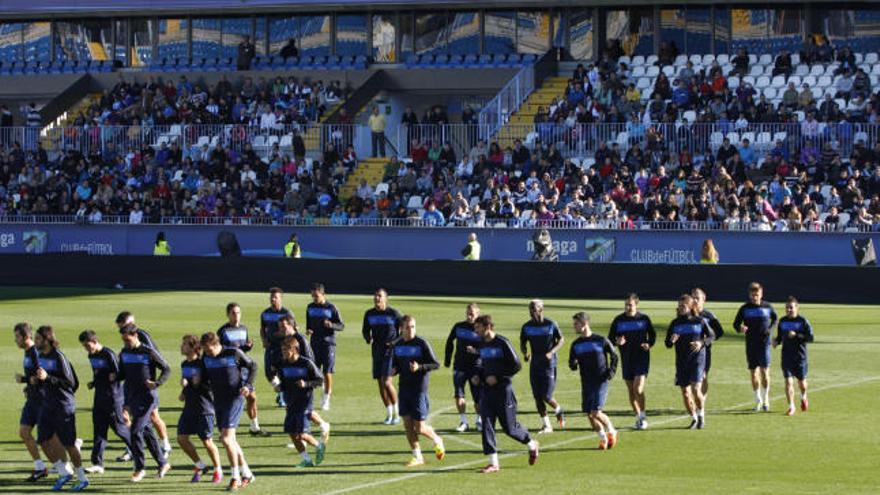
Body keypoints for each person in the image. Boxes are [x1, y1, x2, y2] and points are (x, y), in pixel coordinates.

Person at [473, 314, 539, 473]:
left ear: (487, 327)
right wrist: (479, 376)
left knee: (510, 428)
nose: (476, 331)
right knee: (486, 424)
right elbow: (484, 365)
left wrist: (498, 377)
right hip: (487, 392)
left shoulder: (502, 343)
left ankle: (532, 444)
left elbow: (516, 365)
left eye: (478, 327)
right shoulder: (481, 344)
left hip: (504, 390)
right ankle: (493, 463)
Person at [33, 326, 90, 492]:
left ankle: (82, 478)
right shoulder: (41, 356)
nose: (35, 342)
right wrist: (37, 382)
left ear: (46, 340)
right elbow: (44, 379)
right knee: (43, 439)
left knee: (69, 444)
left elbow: (71, 383)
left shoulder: (59, 356)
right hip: (48, 404)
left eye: (38, 339)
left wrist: (48, 378)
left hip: (63, 406)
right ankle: (64, 472)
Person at [199, 332, 257, 491]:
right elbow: (205, 379)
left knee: (225, 439)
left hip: (235, 398)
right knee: (231, 440)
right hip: (218, 401)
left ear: (217, 344)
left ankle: (235, 477)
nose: (208, 353)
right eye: (206, 350)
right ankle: (247, 473)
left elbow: (253, 366)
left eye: (210, 350)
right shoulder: (206, 357)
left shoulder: (233, 353)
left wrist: (248, 385)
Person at [118, 324, 171, 482]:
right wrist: (114, 377)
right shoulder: (124, 352)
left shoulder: (148, 351)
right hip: (133, 398)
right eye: (123, 340)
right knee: (147, 431)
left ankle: (139, 468)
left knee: (135, 431)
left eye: (127, 339)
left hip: (148, 398)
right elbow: (122, 373)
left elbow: (166, 368)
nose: (125, 343)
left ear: (135, 336)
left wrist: (157, 383)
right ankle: (163, 463)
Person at [390, 315, 445, 467]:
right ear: (402, 328)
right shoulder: (398, 345)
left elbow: (435, 364)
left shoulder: (422, 344)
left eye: (413, 327)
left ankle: (436, 439)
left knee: (419, 428)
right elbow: (396, 364)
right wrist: (394, 370)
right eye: (407, 327)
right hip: (404, 388)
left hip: (419, 389)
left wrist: (419, 367)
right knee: (407, 425)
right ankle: (417, 456)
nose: (411, 330)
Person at [78, 330, 131, 475]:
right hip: (99, 397)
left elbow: (120, 374)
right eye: (84, 347)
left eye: (88, 345)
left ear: (95, 341)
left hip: (113, 398)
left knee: (119, 428)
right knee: (99, 430)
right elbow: (98, 373)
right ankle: (97, 463)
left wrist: (114, 376)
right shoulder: (91, 355)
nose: (87, 349)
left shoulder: (108, 354)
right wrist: (94, 382)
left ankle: (136, 448)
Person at [271, 335, 327, 468]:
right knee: (292, 433)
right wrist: (280, 387)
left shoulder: (306, 363)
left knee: (302, 433)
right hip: (290, 402)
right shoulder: (283, 365)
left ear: (295, 349)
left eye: (286, 350)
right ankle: (306, 459)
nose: (284, 352)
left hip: (304, 403)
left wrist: (306, 384)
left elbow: (320, 380)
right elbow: (284, 382)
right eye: (283, 350)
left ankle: (319, 446)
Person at [277, 314, 332, 443]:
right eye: (280, 327)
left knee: (302, 410)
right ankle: (321, 426)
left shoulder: (300, 339)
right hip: (292, 379)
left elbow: (309, 360)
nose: (282, 329)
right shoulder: (286, 340)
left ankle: (306, 435)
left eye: (284, 326)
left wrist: (308, 380)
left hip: (302, 379)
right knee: (296, 409)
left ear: (292, 325)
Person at [568, 312, 619, 450]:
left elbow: (614, 356)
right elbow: (572, 364)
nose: (574, 327)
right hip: (586, 382)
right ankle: (603, 438)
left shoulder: (601, 340)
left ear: (584, 324)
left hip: (600, 380)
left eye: (576, 324)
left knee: (596, 412)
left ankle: (612, 431)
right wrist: (573, 363)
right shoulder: (576, 344)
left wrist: (611, 372)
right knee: (589, 414)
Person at [218, 303, 269, 437]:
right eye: (233, 313)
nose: (236, 316)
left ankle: (254, 427)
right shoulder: (222, 331)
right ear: (228, 314)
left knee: (252, 397)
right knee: (233, 400)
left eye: (238, 312)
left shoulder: (244, 329)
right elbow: (220, 351)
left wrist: (247, 347)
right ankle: (225, 429)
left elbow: (240, 350)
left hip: (244, 368)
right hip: (231, 370)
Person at [177, 335, 222, 484]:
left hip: (204, 408)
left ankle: (218, 470)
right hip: (189, 407)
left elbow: (212, 385)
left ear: (193, 348)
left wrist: (196, 383)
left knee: (207, 442)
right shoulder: (184, 364)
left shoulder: (203, 364)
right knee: (181, 439)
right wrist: (184, 392)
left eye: (184, 345)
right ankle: (200, 465)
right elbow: (188, 384)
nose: (181, 347)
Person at [665, 294, 715, 429]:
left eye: (683, 306)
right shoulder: (675, 324)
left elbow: (712, 336)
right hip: (681, 361)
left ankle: (701, 415)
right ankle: (693, 418)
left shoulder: (700, 321)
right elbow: (667, 344)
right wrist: (671, 340)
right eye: (679, 306)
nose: (680, 308)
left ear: (691, 306)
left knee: (695, 389)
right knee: (685, 393)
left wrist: (701, 343)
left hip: (697, 360)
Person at [607, 293, 655, 430]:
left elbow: (652, 335)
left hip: (641, 358)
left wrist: (649, 344)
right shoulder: (618, 320)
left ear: (636, 305)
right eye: (626, 305)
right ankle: (638, 417)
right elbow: (610, 339)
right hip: (627, 358)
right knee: (631, 390)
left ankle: (643, 416)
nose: (628, 307)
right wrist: (617, 341)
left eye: (630, 305)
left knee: (638, 388)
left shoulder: (644, 319)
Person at [14, 322, 54, 482]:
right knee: (24, 432)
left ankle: (71, 449)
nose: (15, 340)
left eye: (17, 336)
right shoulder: (27, 352)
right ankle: (40, 468)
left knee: (50, 438)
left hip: (42, 401)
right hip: (32, 399)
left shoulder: (35, 353)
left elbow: (41, 376)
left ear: (25, 337)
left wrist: (23, 379)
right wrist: (28, 387)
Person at [519, 299, 565, 434]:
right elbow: (522, 342)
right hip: (535, 364)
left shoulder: (551, 324)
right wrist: (525, 353)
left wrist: (552, 352)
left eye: (533, 308)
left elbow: (561, 339)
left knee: (546, 395)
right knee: (537, 396)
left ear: (541, 309)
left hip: (549, 364)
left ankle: (558, 409)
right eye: (530, 309)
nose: (531, 311)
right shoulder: (526, 326)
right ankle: (547, 425)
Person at [733, 282, 778, 412]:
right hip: (751, 344)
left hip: (764, 344)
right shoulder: (745, 308)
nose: (754, 297)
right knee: (754, 373)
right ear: (749, 295)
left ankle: (766, 399)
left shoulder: (768, 307)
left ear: (761, 294)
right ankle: (757, 400)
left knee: (765, 372)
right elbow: (735, 324)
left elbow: (775, 319)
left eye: (756, 295)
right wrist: (740, 328)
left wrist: (770, 329)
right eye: (752, 295)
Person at [362, 288, 402, 424]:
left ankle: (397, 413)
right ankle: (389, 413)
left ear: (386, 298)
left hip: (390, 353)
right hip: (376, 352)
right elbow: (365, 330)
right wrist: (368, 338)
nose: (377, 298)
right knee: (380, 384)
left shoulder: (394, 314)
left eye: (380, 296)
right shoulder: (369, 314)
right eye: (375, 296)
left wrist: (394, 342)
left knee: (387, 382)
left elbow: (404, 332)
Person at [443, 303, 483, 432]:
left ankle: (479, 420)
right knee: (459, 394)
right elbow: (450, 341)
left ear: (478, 314)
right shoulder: (458, 326)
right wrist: (447, 360)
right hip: (459, 366)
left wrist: (476, 351)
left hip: (476, 367)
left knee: (477, 395)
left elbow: (488, 346)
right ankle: (463, 422)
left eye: (472, 313)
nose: (470, 315)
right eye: (468, 312)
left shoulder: (481, 329)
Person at [305, 283, 345, 411]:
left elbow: (341, 325)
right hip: (314, 343)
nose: (314, 298)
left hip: (328, 344)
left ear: (323, 294)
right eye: (313, 296)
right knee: (314, 371)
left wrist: (331, 325)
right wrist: (308, 331)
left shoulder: (331, 308)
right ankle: (319, 389)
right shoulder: (310, 307)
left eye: (316, 296)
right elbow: (309, 324)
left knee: (327, 372)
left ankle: (326, 399)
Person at [773, 297, 814, 416]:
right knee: (788, 382)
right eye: (787, 308)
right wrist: (776, 341)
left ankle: (803, 396)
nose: (789, 310)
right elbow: (780, 337)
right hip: (786, 357)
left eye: (791, 307)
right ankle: (791, 406)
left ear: (797, 308)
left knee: (802, 383)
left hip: (800, 357)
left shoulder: (803, 321)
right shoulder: (782, 321)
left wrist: (796, 335)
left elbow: (810, 338)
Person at [260, 287, 295, 407]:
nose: (273, 299)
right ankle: (280, 391)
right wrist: (264, 340)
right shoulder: (265, 313)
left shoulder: (287, 313)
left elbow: (294, 329)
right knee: (269, 373)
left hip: (283, 348)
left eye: (275, 297)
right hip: (270, 347)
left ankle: (283, 397)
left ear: (281, 299)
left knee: (282, 372)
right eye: (271, 297)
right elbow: (262, 329)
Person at [691, 288, 724, 411]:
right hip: (687, 351)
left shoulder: (708, 316)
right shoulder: (687, 315)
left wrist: (706, 340)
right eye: (693, 297)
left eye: (697, 298)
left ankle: (701, 402)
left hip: (704, 352)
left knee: (703, 376)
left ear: (704, 300)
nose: (694, 300)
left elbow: (719, 332)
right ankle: (694, 400)